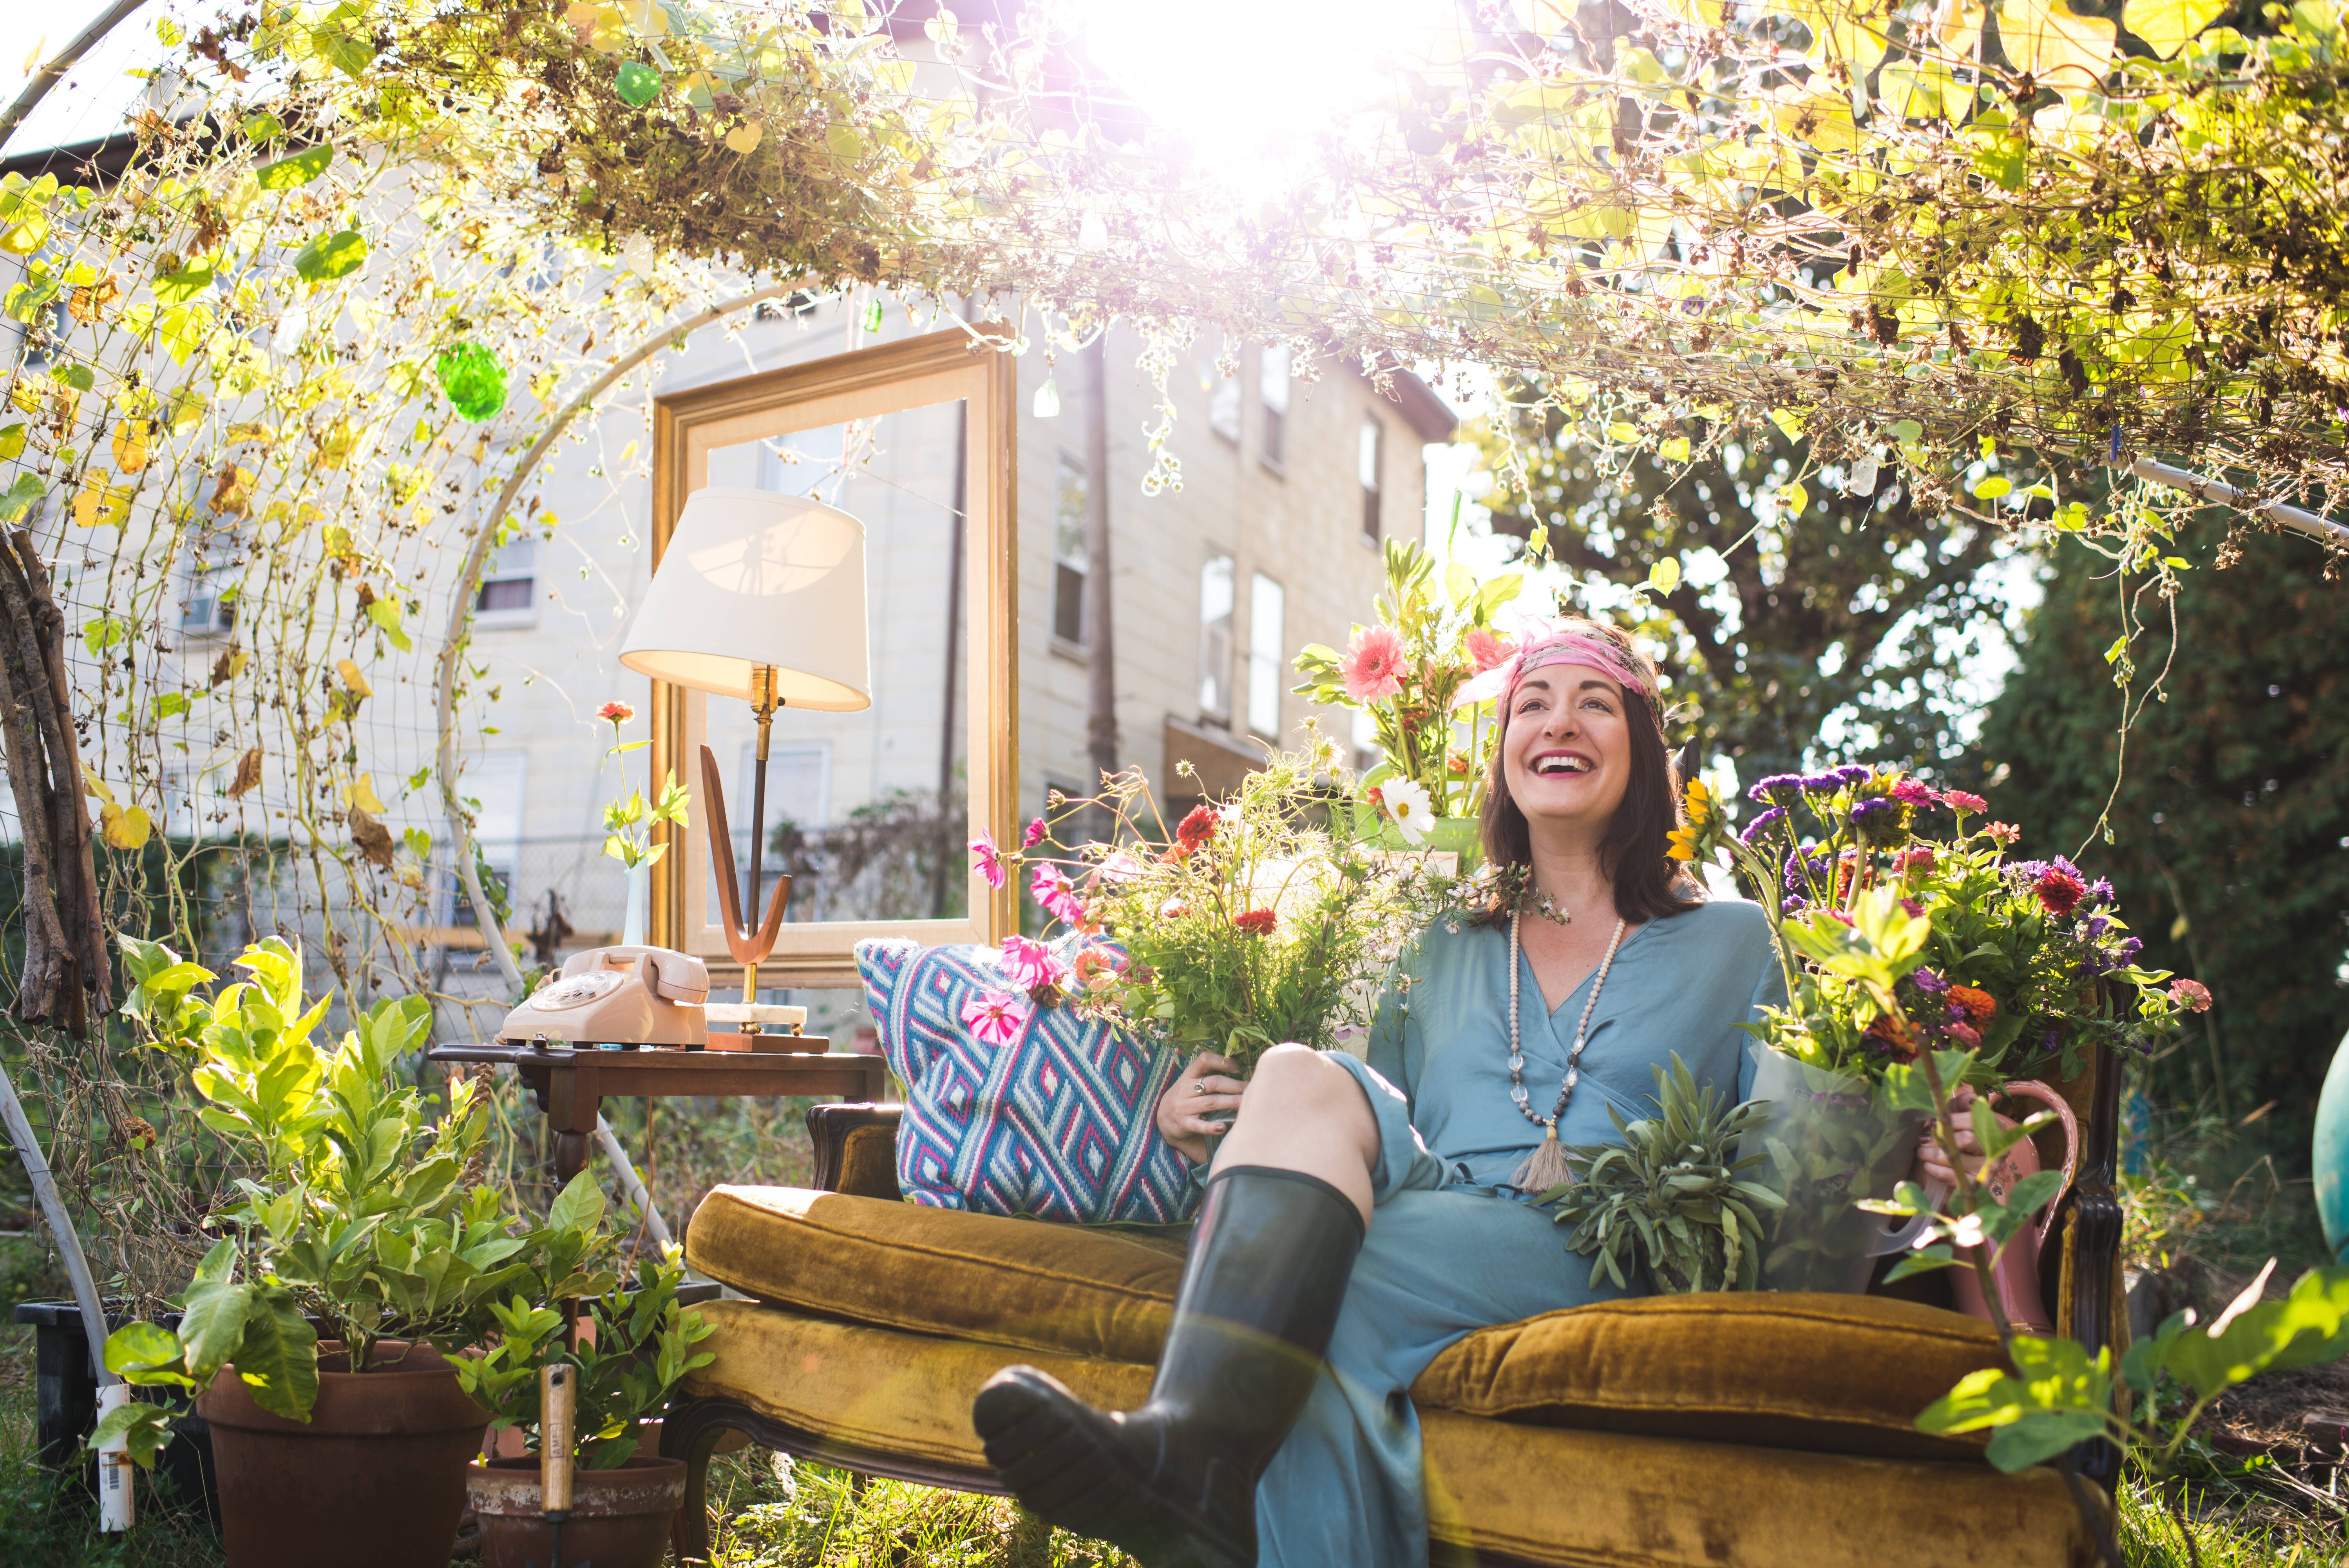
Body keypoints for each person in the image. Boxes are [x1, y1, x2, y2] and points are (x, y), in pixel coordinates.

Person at [972, 619, 1786, 1568]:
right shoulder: (1441, 939)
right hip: (1441, 1212)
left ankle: (1192, 1465)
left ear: (1641, 751)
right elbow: (1384, 1125)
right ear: (1504, 755)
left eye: (1593, 703)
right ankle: (1195, 1464)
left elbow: (1783, 1147)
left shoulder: (1729, 938)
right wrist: (1216, 1139)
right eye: (1532, 703)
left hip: (1602, 1239)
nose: (1558, 724)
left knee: (1302, 1287)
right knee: (1291, 1077)